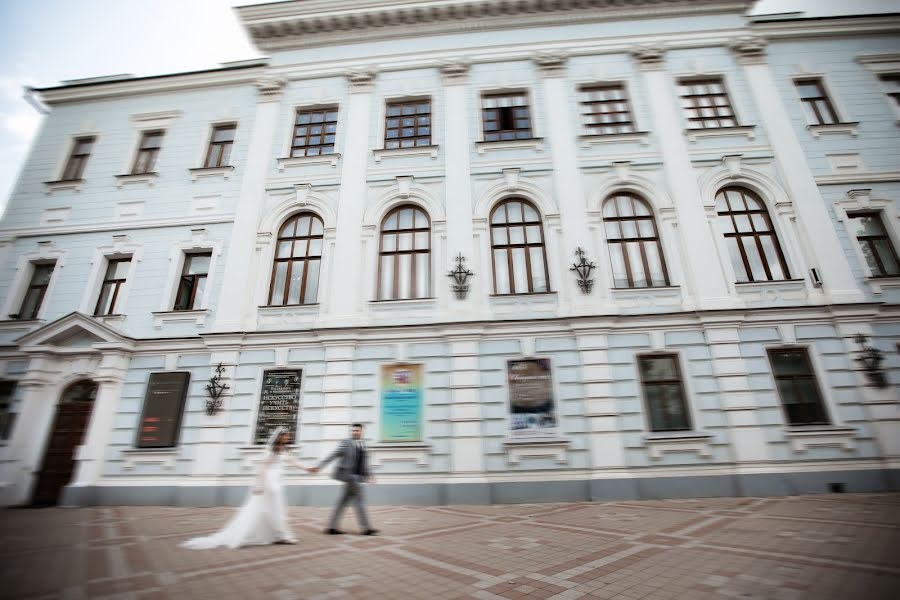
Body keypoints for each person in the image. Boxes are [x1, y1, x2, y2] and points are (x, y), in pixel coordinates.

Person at [181, 427, 307, 549]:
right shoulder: (271, 451)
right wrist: (259, 485)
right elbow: (262, 469)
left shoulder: (283, 451)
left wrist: (307, 468)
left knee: (272, 509)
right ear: (280, 437)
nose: (288, 437)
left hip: (277, 482)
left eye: (288, 436)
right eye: (286, 435)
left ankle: (277, 534)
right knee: (275, 509)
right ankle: (282, 535)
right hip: (269, 483)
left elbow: (293, 462)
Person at [309, 423, 378, 535]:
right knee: (360, 501)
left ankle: (332, 527)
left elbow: (365, 464)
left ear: (362, 431)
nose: (355, 432)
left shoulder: (363, 444)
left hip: (358, 477)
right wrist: (319, 466)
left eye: (357, 430)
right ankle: (366, 528)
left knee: (342, 502)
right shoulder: (346, 443)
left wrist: (370, 475)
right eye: (353, 430)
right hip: (350, 477)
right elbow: (333, 454)